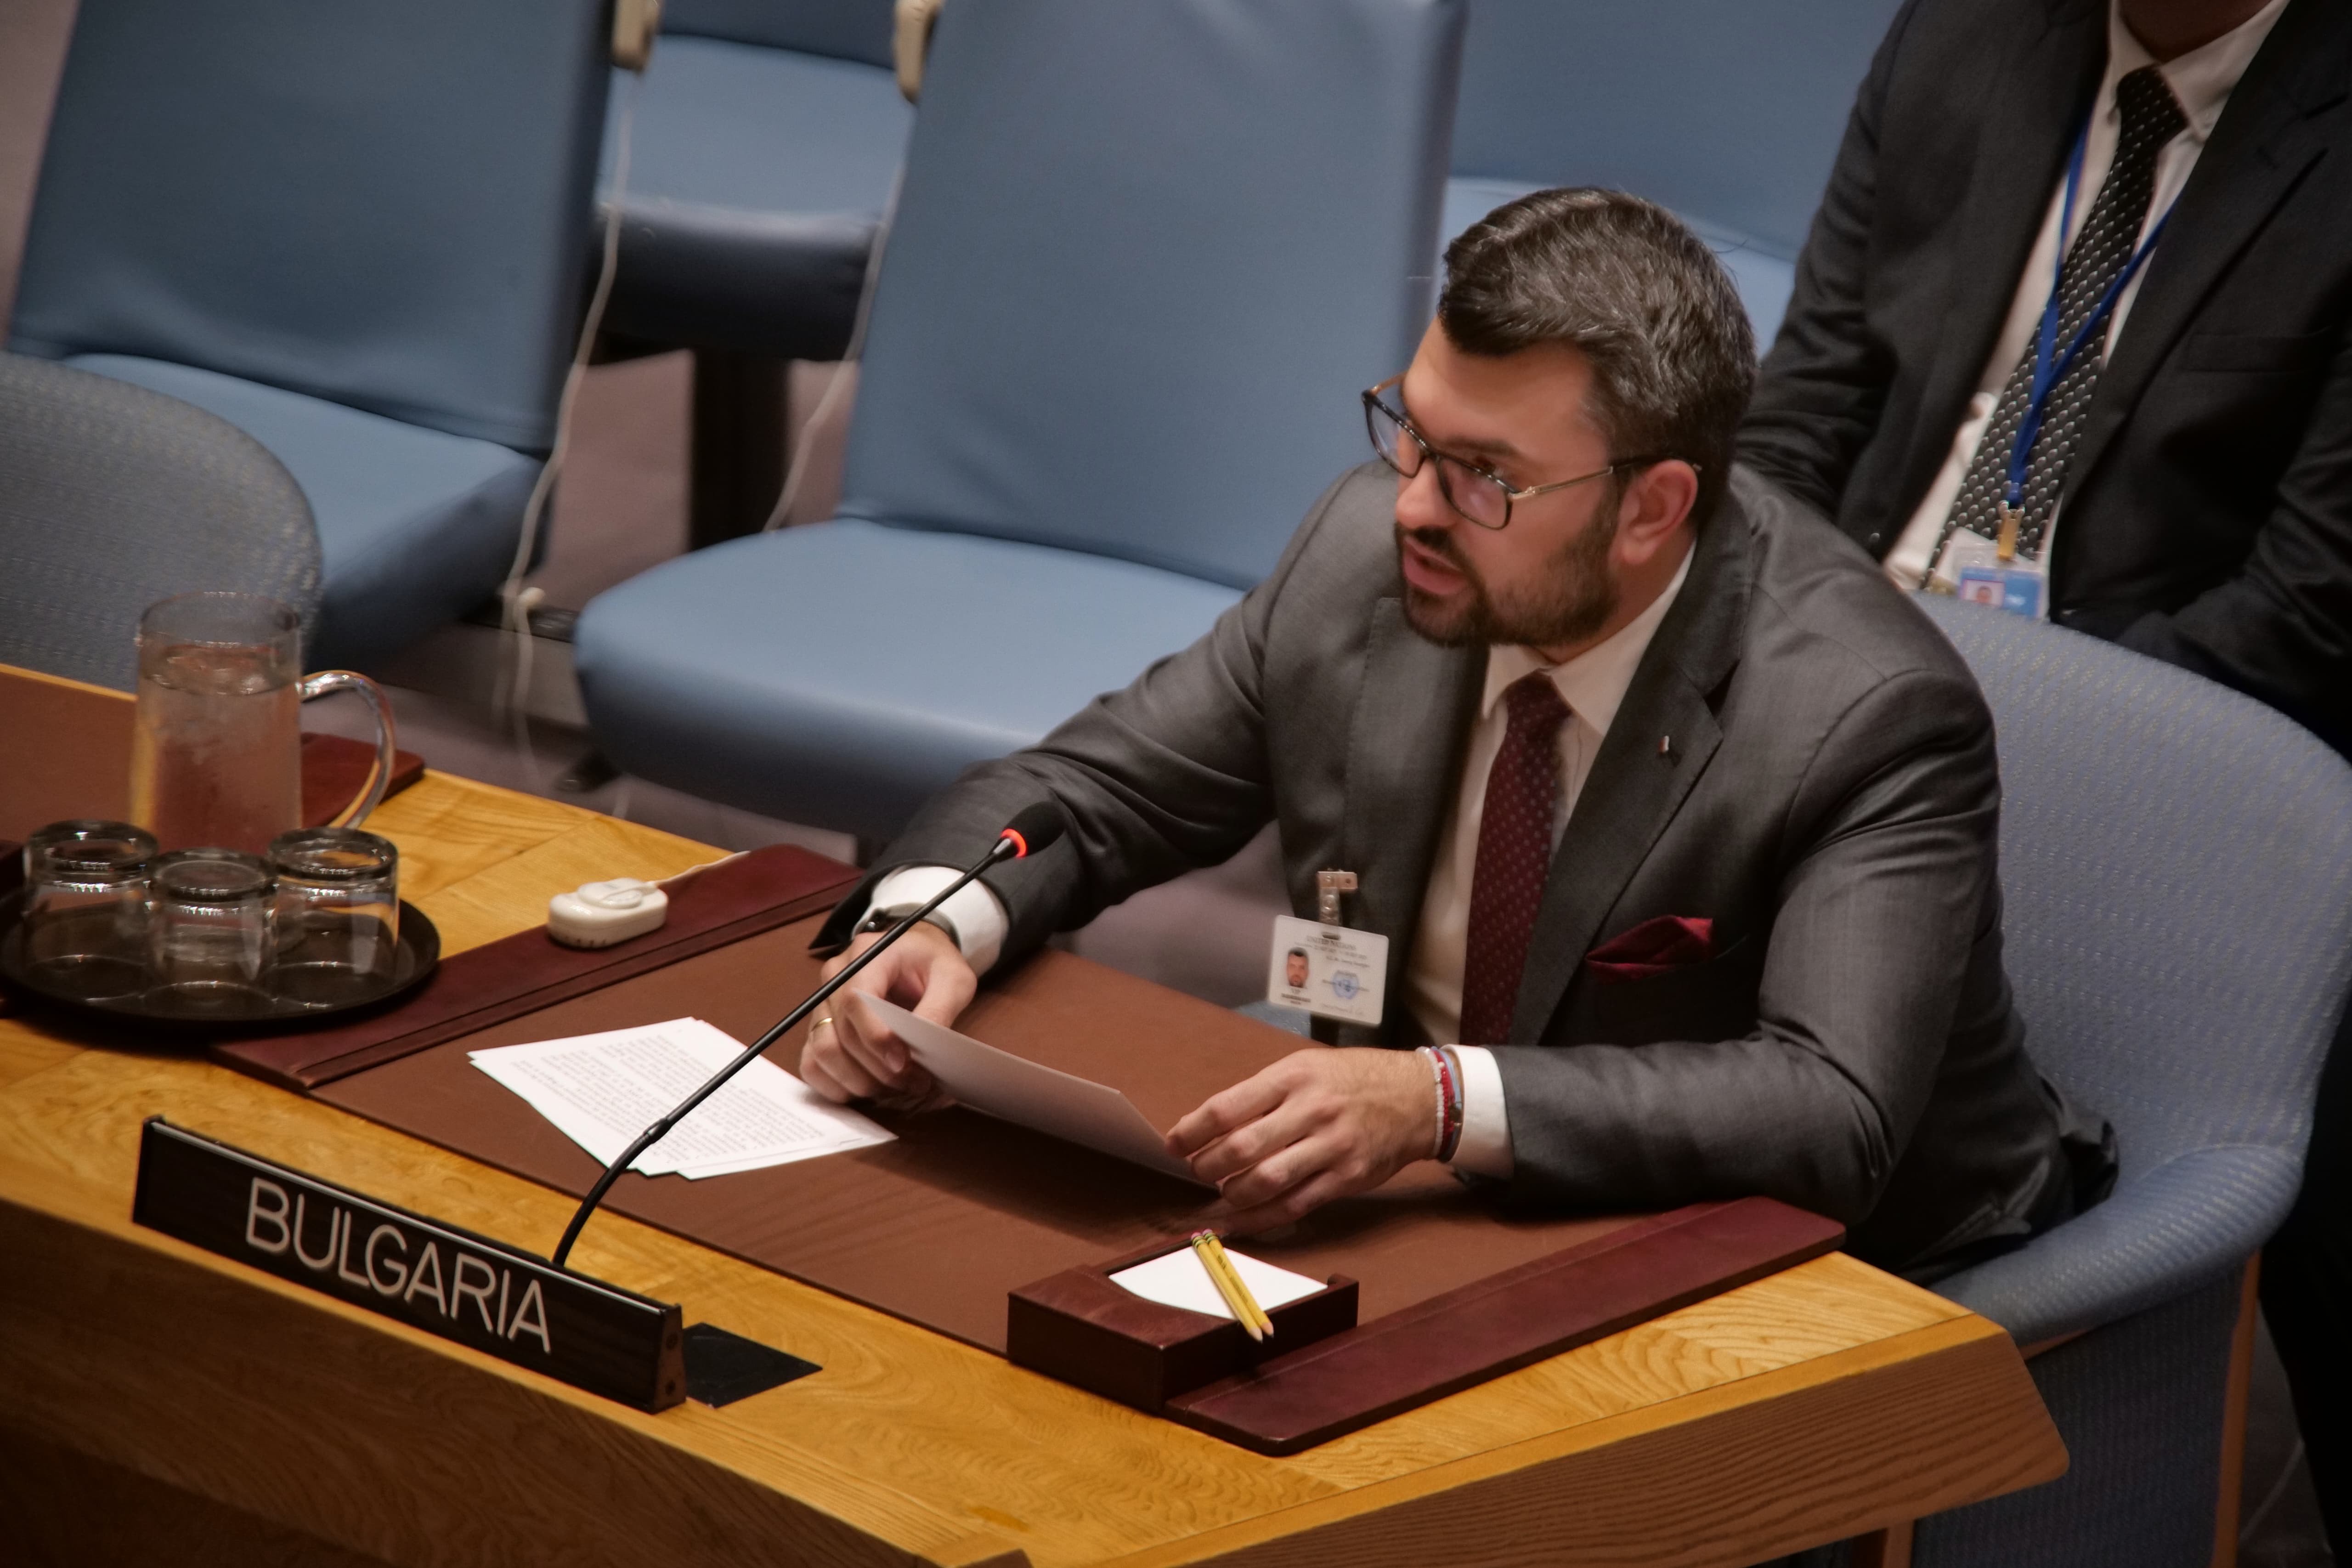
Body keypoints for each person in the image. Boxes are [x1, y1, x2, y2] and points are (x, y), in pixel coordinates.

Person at [802, 188, 2102, 1275]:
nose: (1412, 507)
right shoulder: (1368, 561)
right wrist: (929, 922)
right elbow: (1095, 794)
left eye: (1485, 475)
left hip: (1827, 1268)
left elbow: (1832, 1112)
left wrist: (1435, 1102)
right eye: (1411, 435)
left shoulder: (1862, 716)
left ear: (1652, 509)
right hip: (1434, 1207)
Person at [1736, 0, 2352, 1541]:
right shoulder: (1966, 33)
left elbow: (2304, 612)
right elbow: (1807, 410)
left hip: (2139, 751)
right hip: (1849, 659)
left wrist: (1935, 732)